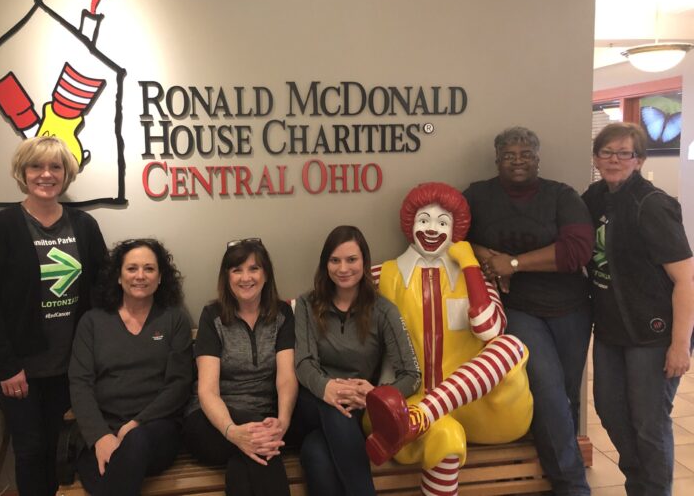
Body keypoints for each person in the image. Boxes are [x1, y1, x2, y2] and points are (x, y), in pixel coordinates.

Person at [365, 182, 532, 496]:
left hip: (483, 408)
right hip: (405, 407)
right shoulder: (383, 275)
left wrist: (469, 264)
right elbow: (325, 300)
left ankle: (423, 415)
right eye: (424, 220)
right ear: (410, 225)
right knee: (445, 435)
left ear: (457, 231)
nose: (432, 229)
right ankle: (422, 417)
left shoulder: (476, 277)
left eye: (443, 223)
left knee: (510, 345)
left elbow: (489, 330)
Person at [0, 136, 106, 496]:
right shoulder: (1, 227)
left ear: (66, 173)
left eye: (55, 167)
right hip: (20, 370)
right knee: (30, 451)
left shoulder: (84, 226)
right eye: (36, 166)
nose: (46, 174)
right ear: (23, 172)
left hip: (70, 366)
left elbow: (102, 288)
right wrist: (6, 365)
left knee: (61, 447)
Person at [462, 126, 593, 495]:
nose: (517, 161)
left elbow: (578, 250)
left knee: (566, 395)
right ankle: (572, 486)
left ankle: (551, 472)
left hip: (571, 309)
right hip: (519, 309)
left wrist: (515, 263)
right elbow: (449, 232)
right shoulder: (479, 195)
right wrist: (484, 255)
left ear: (537, 159)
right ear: (497, 160)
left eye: (525, 155)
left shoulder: (561, 195)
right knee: (548, 390)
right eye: (509, 155)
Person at [583, 122, 694, 496]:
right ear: (596, 158)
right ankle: (638, 484)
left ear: (639, 159)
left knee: (649, 423)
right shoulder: (595, 198)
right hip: (611, 331)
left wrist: (680, 345)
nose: (614, 160)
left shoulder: (652, 205)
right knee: (610, 411)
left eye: (624, 153)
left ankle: (653, 490)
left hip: (653, 334)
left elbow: (686, 280)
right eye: (606, 152)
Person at [294, 225, 421, 496]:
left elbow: (412, 375)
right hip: (313, 402)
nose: (343, 268)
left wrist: (376, 396)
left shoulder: (383, 310)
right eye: (335, 260)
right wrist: (328, 388)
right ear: (325, 264)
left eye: (351, 259)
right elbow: (303, 362)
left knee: (315, 453)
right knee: (334, 406)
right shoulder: (307, 304)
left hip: (358, 410)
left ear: (364, 262)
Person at [68, 238, 193, 496]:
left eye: (149, 268)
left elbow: (179, 384)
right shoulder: (92, 322)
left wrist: (136, 423)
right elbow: (80, 384)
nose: (140, 276)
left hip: (156, 430)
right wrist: (100, 436)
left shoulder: (174, 319)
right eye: (132, 268)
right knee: (105, 480)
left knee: (133, 445)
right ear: (118, 275)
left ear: (160, 277)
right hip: (103, 428)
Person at [183, 238, 297, 496]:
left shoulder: (282, 314)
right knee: (263, 447)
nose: (246, 278)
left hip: (265, 419)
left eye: (254, 268)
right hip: (211, 424)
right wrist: (233, 432)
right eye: (237, 270)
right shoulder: (212, 315)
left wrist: (282, 422)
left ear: (266, 274)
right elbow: (207, 391)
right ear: (227, 277)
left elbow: (286, 378)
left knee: (246, 462)